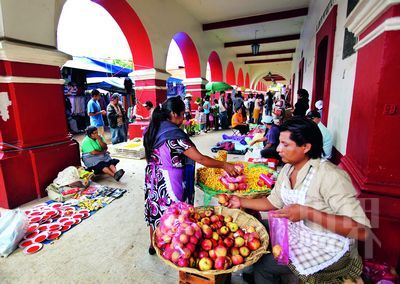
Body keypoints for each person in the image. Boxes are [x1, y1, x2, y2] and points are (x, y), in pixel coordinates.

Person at [220, 117, 371, 284]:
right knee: (255, 228)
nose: (278, 149)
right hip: (298, 232)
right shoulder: (288, 168)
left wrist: (307, 213)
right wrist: (240, 202)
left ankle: (262, 276)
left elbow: (361, 231)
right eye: (279, 143)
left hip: (324, 245)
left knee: (264, 265)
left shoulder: (329, 176)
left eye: (285, 144)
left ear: (306, 147)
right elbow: (273, 202)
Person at [143, 96, 239, 255]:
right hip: (169, 180)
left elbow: (149, 156)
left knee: (155, 207)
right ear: (174, 114)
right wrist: (224, 165)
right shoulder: (173, 135)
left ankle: (153, 245)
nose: (183, 119)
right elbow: (200, 158)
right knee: (175, 213)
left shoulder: (151, 129)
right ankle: (174, 249)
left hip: (152, 177)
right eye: (182, 115)